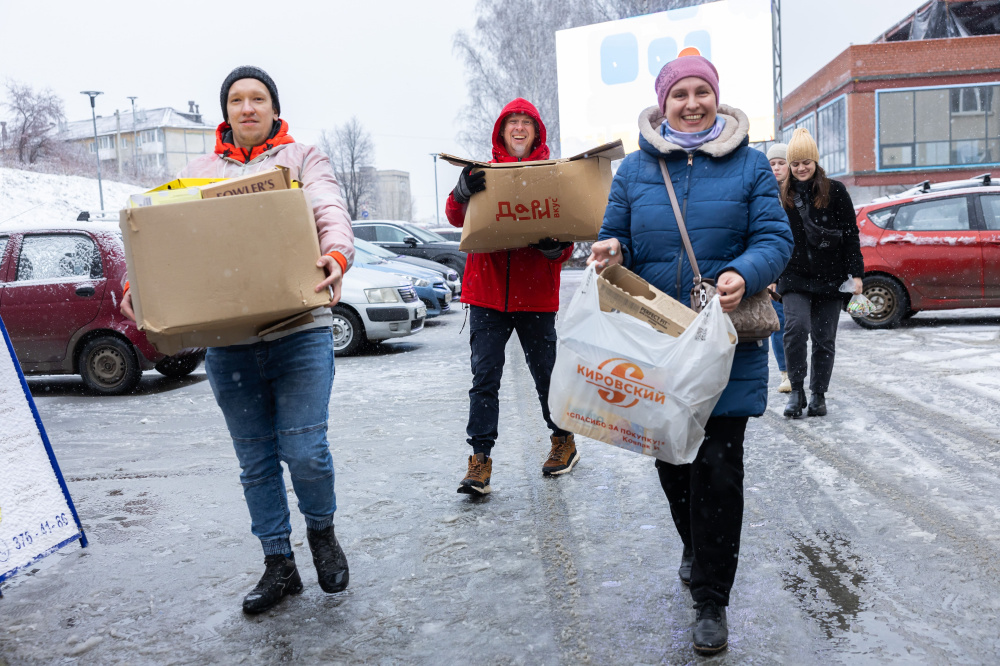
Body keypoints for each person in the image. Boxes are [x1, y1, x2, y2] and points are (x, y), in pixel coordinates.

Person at [121, 66, 355, 614]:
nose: (247, 108)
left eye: (258, 98)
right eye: (236, 100)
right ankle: (279, 565)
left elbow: (329, 209)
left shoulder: (302, 159)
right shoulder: (196, 175)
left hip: (299, 329)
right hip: (230, 341)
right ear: (225, 112)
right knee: (254, 462)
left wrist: (336, 252)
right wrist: (141, 283)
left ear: (274, 108)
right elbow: (164, 241)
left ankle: (321, 532)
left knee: (305, 450)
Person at [588, 55, 792, 655]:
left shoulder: (752, 166)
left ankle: (711, 600)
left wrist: (742, 272)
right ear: (663, 102)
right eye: (681, 94)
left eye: (703, 91)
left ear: (717, 98)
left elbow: (775, 240)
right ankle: (696, 544)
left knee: (720, 473)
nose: (693, 102)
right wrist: (608, 250)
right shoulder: (632, 169)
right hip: (657, 344)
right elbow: (614, 234)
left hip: (726, 344)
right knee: (673, 464)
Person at [445, 98, 576, 496]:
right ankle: (480, 459)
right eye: (512, 122)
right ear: (501, 131)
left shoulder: (554, 175)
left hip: (535, 295)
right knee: (484, 378)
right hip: (486, 295)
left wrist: (558, 251)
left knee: (546, 376)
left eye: (526, 123)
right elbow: (455, 217)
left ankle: (563, 440)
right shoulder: (482, 173)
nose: (519, 128)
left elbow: (569, 228)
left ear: (537, 132)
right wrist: (461, 191)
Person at [777, 128, 864, 419]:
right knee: (795, 330)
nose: (801, 168)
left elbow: (851, 234)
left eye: (806, 162)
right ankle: (797, 391)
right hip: (794, 276)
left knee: (825, 338)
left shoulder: (835, 191)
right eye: (795, 163)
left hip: (831, 277)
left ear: (816, 161)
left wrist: (857, 274)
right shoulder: (781, 195)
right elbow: (770, 236)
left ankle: (818, 394)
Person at [767, 143, 791, 393]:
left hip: (802, 270)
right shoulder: (764, 195)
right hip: (776, 272)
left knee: (802, 326)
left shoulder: (801, 195)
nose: (776, 168)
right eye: (772, 164)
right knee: (780, 324)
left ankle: (801, 371)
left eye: (781, 163)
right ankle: (786, 374)